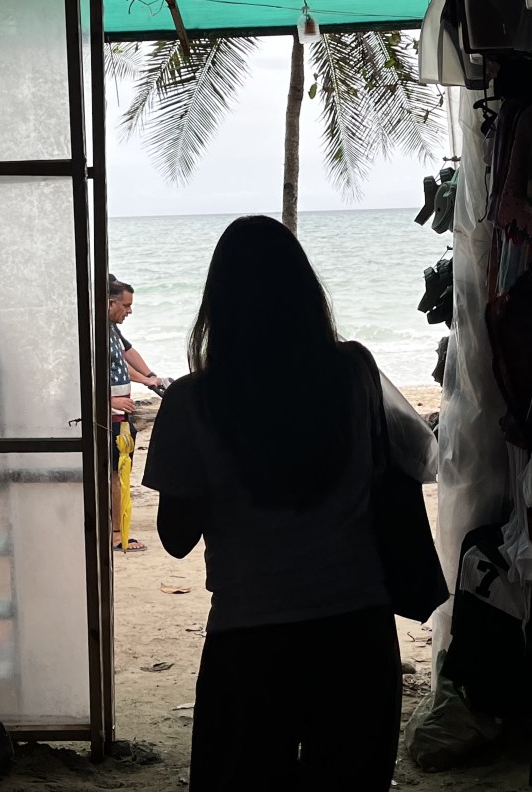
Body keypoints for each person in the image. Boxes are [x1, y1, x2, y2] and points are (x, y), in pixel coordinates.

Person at [143, 215, 403, 792]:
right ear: (305, 293)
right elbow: (396, 466)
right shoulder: (355, 371)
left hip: (251, 639)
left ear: (218, 304)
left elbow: (176, 537)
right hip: (357, 630)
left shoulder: (192, 402)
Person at [109, 278, 163, 552]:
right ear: (110, 302)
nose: (129, 311)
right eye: (126, 305)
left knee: (121, 472)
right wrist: (109, 400)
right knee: (115, 475)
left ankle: (118, 529)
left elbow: (123, 362)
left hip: (122, 411)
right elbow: (80, 377)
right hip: (110, 415)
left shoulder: (111, 331)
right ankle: (117, 534)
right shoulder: (95, 334)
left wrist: (148, 379)